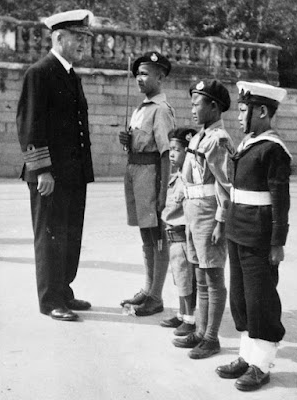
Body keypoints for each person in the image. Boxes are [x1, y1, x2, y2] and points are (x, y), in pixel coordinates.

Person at [16, 9, 95, 321]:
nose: (82, 44)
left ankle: (64, 290)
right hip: (50, 175)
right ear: (59, 37)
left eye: (84, 39)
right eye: (77, 38)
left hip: (73, 174)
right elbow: (29, 125)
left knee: (69, 234)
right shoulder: (40, 72)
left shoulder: (70, 75)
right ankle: (51, 300)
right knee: (50, 235)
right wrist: (41, 170)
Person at [215, 81, 291, 391]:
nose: (237, 117)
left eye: (243, 111)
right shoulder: (248, 144)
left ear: (262, 111)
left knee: (261, 300)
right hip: (238, 231)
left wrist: (277, 242)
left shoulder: (273, 150)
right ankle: (247, 356)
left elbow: (280, 201)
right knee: (242, 299)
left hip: (259, 237)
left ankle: (262, 364)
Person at [172, 79, 234, 359]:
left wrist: (221, 221)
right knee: (199, 273)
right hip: (193, 212)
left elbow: (225, 184)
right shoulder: (198, 137)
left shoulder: (218, 139)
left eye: (198, 104)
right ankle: (199, 330)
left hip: (209, 213)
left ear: (214, 106)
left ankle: (211, 337)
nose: (193, 109)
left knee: (212, 275)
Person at [119, 51, 176, 316]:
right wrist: (127, 141)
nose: (139, 79)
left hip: (151, 176)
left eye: (145, 74)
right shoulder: (142, 108)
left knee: (157, 237)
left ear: (160, 77)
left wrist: (164, 192)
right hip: (136, 173)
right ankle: (147, 287)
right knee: (145, 234)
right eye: (138, 74)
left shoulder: (161, 110)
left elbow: (166, 154)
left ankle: (156, 295)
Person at [160, 127, 197, 336]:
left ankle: (190, 319)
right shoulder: (177, 175)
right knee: (179, 279)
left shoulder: (187, 179)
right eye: (171, 149)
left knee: (185, 280)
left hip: (182, 237)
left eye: (177, 149)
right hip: (172, 237)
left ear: (188, 152)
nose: (172, 154)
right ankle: (182, 315)